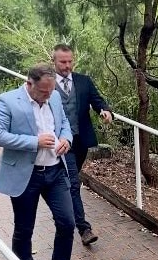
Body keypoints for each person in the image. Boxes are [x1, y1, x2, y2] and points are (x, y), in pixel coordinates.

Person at [0, 63, 85, 260]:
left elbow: (64, 125)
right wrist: (33, 141)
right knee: (24, 230)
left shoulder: (53, 97)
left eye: (51, 91)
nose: (48, 96)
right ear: (29, 83)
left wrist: (66, 139)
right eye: (43, 92)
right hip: (26, 176)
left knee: (67, 223)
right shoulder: (8, 101)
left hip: (54, 172)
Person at [52, 43, 113, 246]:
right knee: (73, 182)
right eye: (63, 62)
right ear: (54, 61)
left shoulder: (83, 81)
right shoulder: (47, 83)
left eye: (70, 61)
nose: (67, 65)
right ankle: (84, 228)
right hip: (61, 142)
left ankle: (62, 206)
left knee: (69, 181)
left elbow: (98, 100)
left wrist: (105, 111)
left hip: (81, 140)